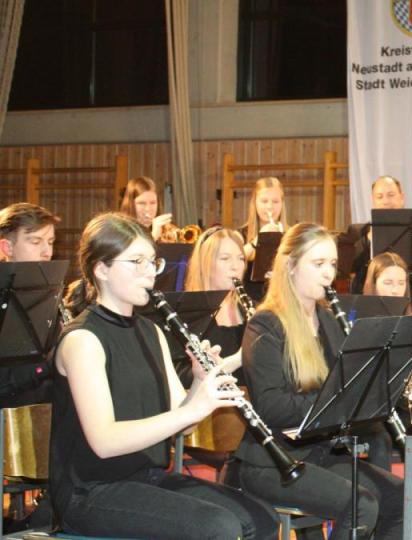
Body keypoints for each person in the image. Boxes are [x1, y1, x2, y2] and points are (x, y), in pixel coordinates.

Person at [50, 212, 277, 539]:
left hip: (146, 477)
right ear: (102, 269)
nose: (149, 273)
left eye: (151, 262)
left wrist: (200, 382)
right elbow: (105, 442)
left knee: (262, 517)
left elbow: (181, 421)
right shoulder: (82, 340)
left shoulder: (152, 331)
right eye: (136, 262)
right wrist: (191, 409)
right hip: (91, 491)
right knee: (219, 527)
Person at [227, 222, 403, 540]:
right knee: (361, 506)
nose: (329, 274)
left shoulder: (327, 319)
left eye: (333, 264)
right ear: (291, 266)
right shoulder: (265, 324)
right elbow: (272, 408)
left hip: (319, 454)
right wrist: (335, 403)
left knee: (399, 498)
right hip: (272, 463)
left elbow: (344, 386)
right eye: (318, 263)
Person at [0, 203, 59, 406]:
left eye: (50, 242)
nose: (47, 252)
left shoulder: (50, 290)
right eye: (36, 242)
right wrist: (46, 367)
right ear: (7, 247)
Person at [183, 226, 249, 386]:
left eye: (241, 258)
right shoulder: (188, 313)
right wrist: (238, 359)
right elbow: (182, 377)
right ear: (205, 264)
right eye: (225, 258)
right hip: (211, 407)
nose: (236, 266)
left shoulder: (250, 309)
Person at [346, 175, 405, 293]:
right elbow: (349, 267)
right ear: (373, 201)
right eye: (379, 197)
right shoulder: (358, 232)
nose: (385, 201)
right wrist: (368, 240)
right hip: (367, 298)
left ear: (401, 198)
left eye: (391, 195)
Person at [241, 176, 287, 259]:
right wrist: (260, 239)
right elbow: (236, 258)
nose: (270, 206)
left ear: (282, 204)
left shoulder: (292, 235)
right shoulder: (240, 235)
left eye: (275, 201)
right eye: (264, 201)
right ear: (255, 203)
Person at [119, 176, 172, 242]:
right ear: (130, 205)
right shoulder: (119, 231)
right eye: (142, 203)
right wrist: (153, 236)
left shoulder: (163, 229)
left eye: (153, 203)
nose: (148, 209)